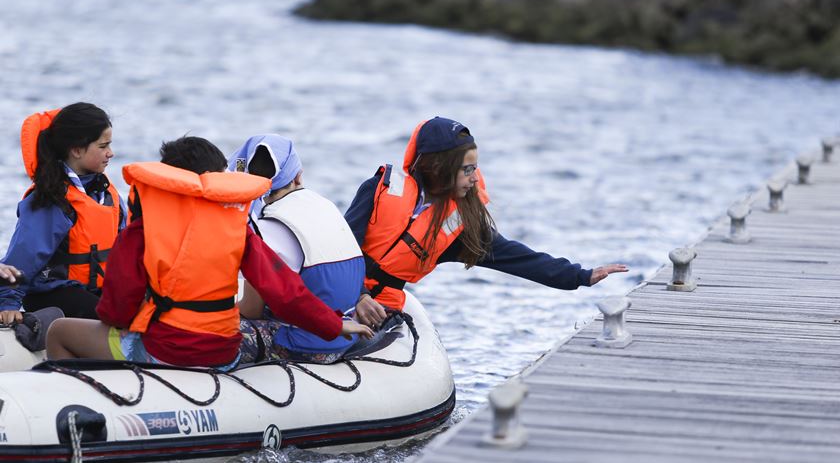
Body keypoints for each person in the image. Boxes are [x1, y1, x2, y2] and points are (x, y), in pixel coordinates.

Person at [46, 136, 372, 369]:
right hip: (224, 353)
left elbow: (115, 312)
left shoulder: (140, 232)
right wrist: (334, 325)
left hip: (165, 351)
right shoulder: (238, 228)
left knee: (59, 331)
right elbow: (287, 292)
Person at [344, 117, 629, 325]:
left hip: (381, 311)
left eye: (476, 168)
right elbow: (338, 248)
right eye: (467, 169)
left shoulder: (459, 228)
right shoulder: (378, 189)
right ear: (438, 167)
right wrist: (359, 296)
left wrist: (580, 276)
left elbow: (520, 258)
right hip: (342, 292)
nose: (475, 178)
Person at [230, 134, 370, 364]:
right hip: (346, 336)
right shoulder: (325, 205)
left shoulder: (266, 227)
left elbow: (251, 310)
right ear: (298, 175)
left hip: (305, 345)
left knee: (212, 329)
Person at [0, 103, 125, 325]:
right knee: (111, 317)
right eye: (103, 146)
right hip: (51, 294)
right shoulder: (51, 200)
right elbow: (23, 257)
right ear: (76, 150)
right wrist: (8, 303)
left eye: (110, 145)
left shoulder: (105, 194)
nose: (111, 153)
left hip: (94, 289)